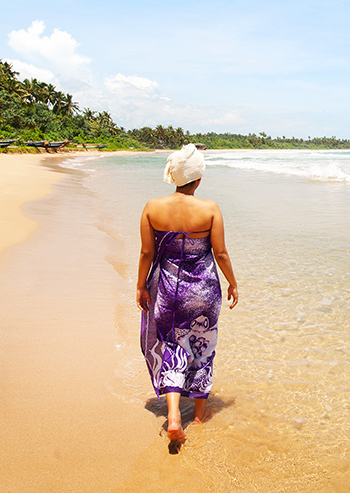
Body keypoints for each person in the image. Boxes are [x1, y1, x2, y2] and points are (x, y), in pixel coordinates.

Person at [137, 144, 238, 442]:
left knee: (173, 348)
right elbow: (219, 253)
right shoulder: (210, 209)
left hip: (169, 291)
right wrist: (233, 283)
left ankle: (172, 418)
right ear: (199, 179)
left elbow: (146, 253)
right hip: (204, 291)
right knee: (202, 348)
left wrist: (141, 285)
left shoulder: (152, 207)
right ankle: (199, 415)